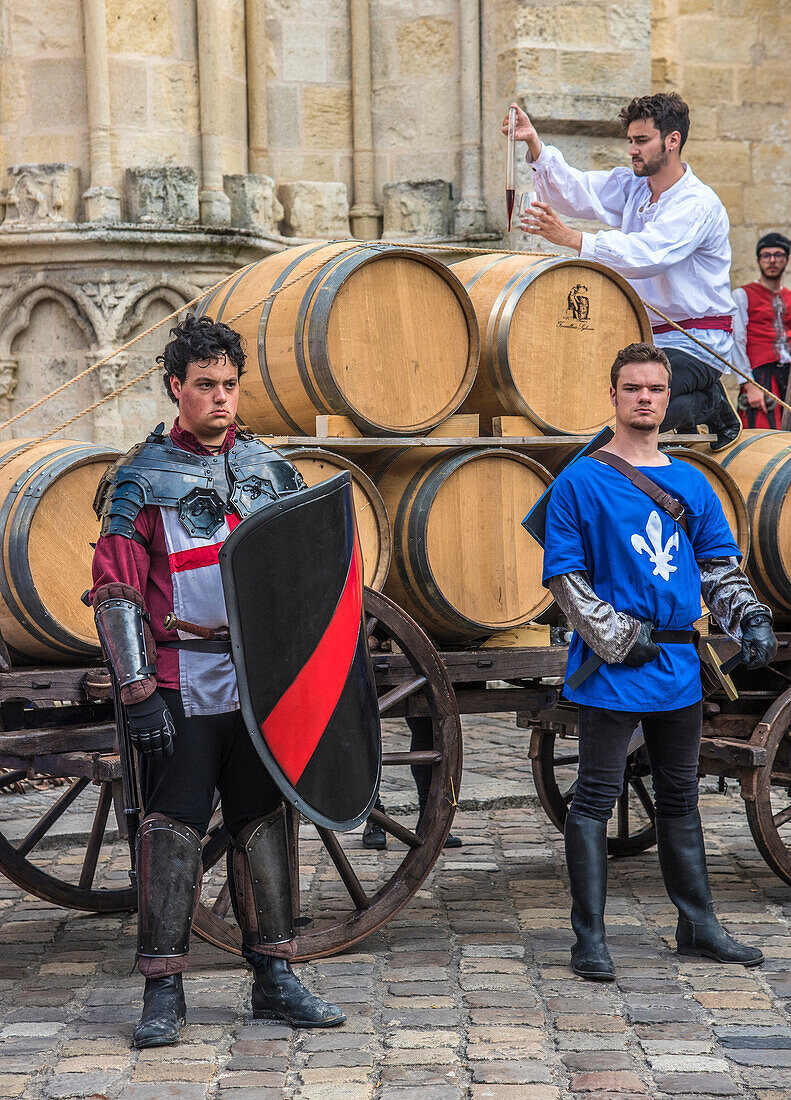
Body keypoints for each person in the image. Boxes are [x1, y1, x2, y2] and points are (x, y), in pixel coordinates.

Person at [91, 314, 346, 1048]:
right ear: (176, 388)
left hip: (260, 683)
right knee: (170, 833)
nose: (220, 398)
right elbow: (116, 590)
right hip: (179, 678)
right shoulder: (139, 480)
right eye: (205, 385)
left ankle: (274, 977)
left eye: (229, 385)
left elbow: (306, 581)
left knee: (263, 823)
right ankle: (163, 988)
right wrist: (137, 692)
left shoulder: (272, 472)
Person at [541, 341, 776, 981]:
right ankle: (588, 938)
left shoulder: (691, 480)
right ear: (613, 396)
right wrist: (616, 637)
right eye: (633, 389)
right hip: (614, 665)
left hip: (677, 665)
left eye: (656, 389)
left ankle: (697, 924)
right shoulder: (580, 482)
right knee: (594, 796)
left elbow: (716, 564)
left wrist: (749, 615)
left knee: (679, 795)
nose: (645, 398)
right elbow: (565, 578)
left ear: (667, 399)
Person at [503, 92, 742, 451]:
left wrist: (571, 238)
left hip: (695, 343)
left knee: (640, 413)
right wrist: (534, 143)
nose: (633, 149)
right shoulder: (634, 186)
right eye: (631, 140)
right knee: (600, 400)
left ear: (672, 141)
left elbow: (648, 255)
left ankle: (711, 402)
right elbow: (577, 191)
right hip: (645, 339)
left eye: (642, 141)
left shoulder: (697, 203)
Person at [733, 232, 791, 430]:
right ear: (759, 260)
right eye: (766, 255)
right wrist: (748, 384)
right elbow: (736, 341)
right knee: (763, 436)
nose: (772, 260)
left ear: (787, 259)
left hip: (788, 376)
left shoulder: (789, 296)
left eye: (778, 255)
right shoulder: (742, 295)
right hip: (760, 378)